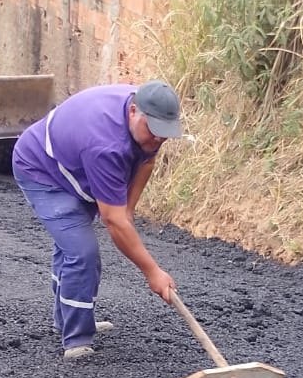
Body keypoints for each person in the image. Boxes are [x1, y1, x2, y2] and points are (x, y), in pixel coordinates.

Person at [12, 80, 183, 361]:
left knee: (73, 247)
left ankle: (66, 320)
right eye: (153, 131)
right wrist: (152, 271)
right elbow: (112, 220)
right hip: (40, 169)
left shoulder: (148, 120)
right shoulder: (106, 145)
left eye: (163, 134)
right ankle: (77, 339)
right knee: (82, 252)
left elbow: (147, 161)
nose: (157, 139)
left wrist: (128, 209)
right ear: (133, 111)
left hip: (73, 158)